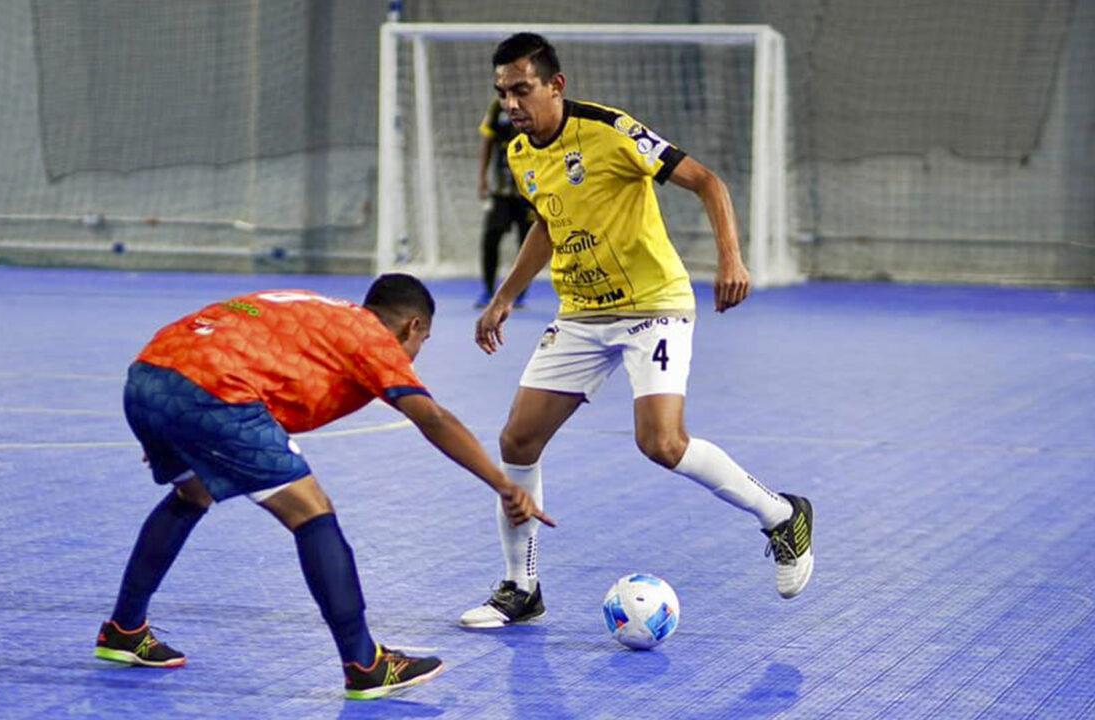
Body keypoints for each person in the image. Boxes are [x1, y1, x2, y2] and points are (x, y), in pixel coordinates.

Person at [459, 33, 814, 629]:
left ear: (555, 85)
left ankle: (781, 515)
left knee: (662, 444)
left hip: (654, 306)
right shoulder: (521, 151)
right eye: (502, 93)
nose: (511, 103)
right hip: (581, 313)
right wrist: (504, 297)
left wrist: (732, 258)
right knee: (517, 442)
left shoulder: (610, 130)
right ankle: (522, 589)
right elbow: (548, 224)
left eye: (521, 89)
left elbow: (708, 182)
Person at [93, 274, 554, 699]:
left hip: (149, 375)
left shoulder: (322, 311)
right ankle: (365, 663)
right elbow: (430, 417)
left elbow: (238, 341)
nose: (414, 355)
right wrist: (503, 485)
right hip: (213, 391)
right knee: (312, 513)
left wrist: (176, 418)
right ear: (412, 325)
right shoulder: (373, 336)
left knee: (192, 494)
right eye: (422, 342)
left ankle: (125, 629)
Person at [476, 97, 535, 309]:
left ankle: (518, 292)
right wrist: (482, 177)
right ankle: (488, 290)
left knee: (528, 242)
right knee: (490, 237)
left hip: (529, 192)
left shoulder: (536, 106)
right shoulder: (497, 107)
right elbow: (487, 141)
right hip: (501, 191)